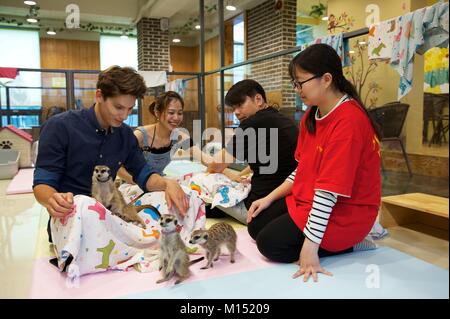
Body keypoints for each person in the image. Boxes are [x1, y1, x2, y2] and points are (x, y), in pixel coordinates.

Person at [246, 44, 381, 282]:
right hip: (310, 198)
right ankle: (316, 237)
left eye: (300, 83)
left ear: (326, 79)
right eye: (294, 84)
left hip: (345, 212)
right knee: (256, 224)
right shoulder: (313, 113)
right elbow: (303, 168)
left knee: (270, 245)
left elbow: (329, 193)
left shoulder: (349, 122)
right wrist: (269, 198)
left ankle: (354, 242)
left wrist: (311, 249)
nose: (297, 89)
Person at [33, 66, 188, 243]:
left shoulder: (125, 136)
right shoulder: (60, 127)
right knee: (86, 206)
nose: (124, 115)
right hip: (71, 221)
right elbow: (42, 184)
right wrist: (53, 199)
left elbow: (144, 175)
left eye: (130, 109)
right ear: (99, 95)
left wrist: (169, 184)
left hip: (109, 220)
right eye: (118, 107)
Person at [207, 79, 299, 224]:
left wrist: (228, 174)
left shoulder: (250, 125)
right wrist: (240, 175)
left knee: (201, 181)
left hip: (256, 208)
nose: (236, 112)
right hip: (289, 201)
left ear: (258, 99)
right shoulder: (286, 120)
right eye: (233, 108)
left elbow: (214, 167)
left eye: (240, 105)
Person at [117, 91, 213, 183]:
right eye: (171, 113)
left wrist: (222, 167)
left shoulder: (180, 136)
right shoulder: (140, 135)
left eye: (180, 113)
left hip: (158, 181)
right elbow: (117, 165)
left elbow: (202, 157)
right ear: (157, 113)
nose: (176, 118)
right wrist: (134, 181)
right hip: (133, 184)